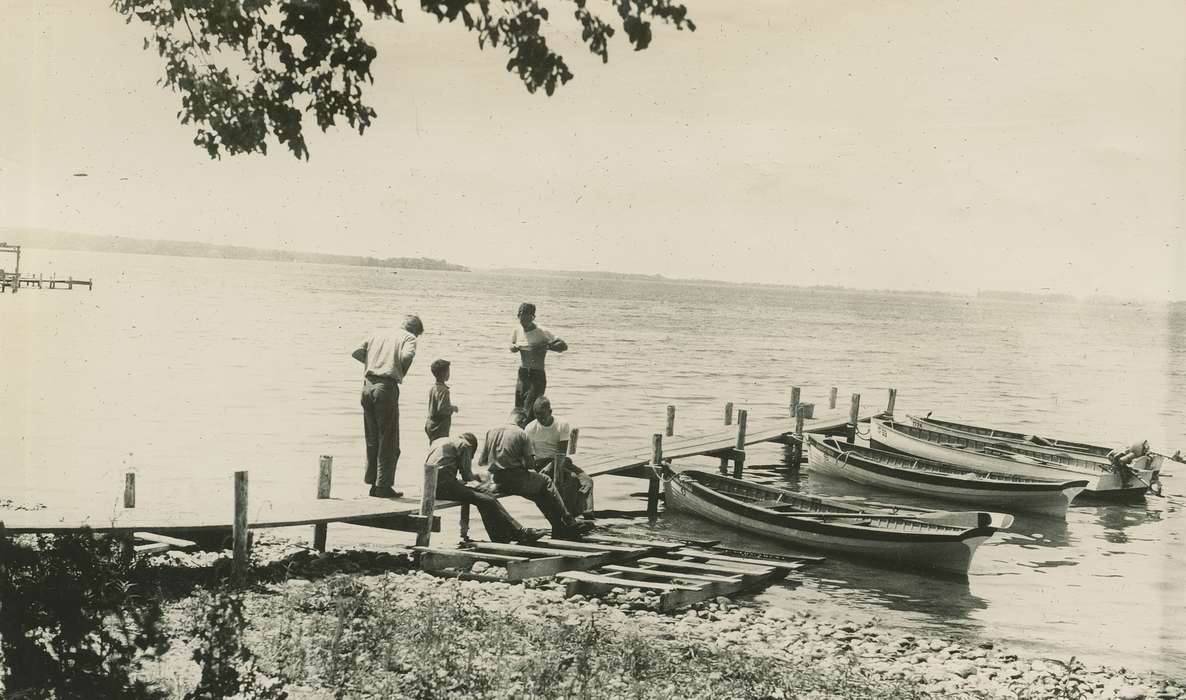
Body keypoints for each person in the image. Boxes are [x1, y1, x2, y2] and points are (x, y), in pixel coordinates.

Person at [478, 408, 592, 538]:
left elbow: (482, 461)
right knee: (546, 482)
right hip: (517, 479)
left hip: (498, 480)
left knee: (539, 495)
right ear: (522, 420)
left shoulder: (491, 431)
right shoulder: (521, 434)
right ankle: (568, 520)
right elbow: (530, 464)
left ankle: (558, 527)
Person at [426, 433, 543, 543]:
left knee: (485, 496)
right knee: (487, 500)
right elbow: (467, 476)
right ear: (472, 447)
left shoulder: (441, 440)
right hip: (444, 487)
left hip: (431, 486)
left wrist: (476, 484)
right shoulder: (465, 445)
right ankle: (514, 534)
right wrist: (480, 479)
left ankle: (504, 536)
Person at [352, 314, 422, 498]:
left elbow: (357, 352)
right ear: (415, 329)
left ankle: (373, 484)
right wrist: (394, 367)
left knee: (372, 438)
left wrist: (375, 363)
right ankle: (383, 486)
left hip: (367, 385)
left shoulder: (378, 332)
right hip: (385, 387)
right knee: (388, 440)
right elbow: (407, 356)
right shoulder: (409, 337)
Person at [525, 396, 594, 517]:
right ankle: (568, 515)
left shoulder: (562, 424)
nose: (539, 417)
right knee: (571, 479)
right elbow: (529, 456)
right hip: (541, 463)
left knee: (587, 481)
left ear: (550, 412)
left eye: (542, 414)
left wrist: (552, 466)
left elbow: (561, 453)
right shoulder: (530, 428)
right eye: (536, 414)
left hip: (560, 460)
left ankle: (587, 514)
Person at [509, 302, 567, 421]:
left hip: (537, 375)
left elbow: (563, 345)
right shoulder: (517, 329)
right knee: (519, 410)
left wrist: (546, 347)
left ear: (532, 317)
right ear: (518, 316)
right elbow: (512, 344)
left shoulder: (541, 331)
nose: (524, 324)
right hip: (523, 374)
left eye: (527, 320)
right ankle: (521, 437)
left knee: (530, 411)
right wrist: (513, 348)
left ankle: (530, 436)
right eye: (521, 320)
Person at [424, 359, 458, 442]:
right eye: (448, 371)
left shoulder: (433, 388)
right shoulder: (444, 390)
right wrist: (452, 408)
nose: (449, 374)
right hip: (439, 427)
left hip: (431, 424)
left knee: (434, 448)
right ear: (443, 373)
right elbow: (442, 409)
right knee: (440, 448)